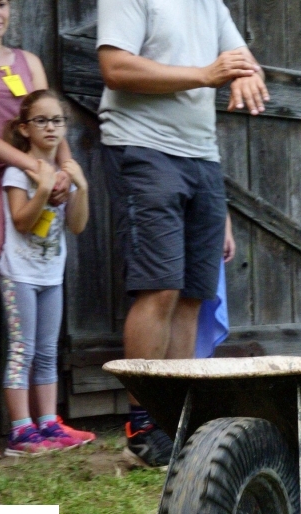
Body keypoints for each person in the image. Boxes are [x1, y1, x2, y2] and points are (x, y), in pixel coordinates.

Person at [97, 0, 268, 468]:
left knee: (193, 291)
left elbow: (238, 59)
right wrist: (204, 74)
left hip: (201, 156)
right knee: (160, 285)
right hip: (143, 147)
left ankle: (174, 421)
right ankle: (142, 422)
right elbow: (114, 67)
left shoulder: (210, 4)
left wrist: (247, 73)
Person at [0, 0, 74, 461]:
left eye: (2, 3)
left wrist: (64, 169)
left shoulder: (28, 62)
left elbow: (50, 117)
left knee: (35, 303)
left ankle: (38, 423)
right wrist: (34, 164)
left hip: (34, 193)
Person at [0, 89, 92, 456]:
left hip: (51, 274)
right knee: (22, 349)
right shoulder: (17, 171)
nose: (51, 127)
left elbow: (78, 225)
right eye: (41, 120)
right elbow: (22, 222)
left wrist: (80, 186)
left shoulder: (64, 176)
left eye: (58, 121)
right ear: (24, 128)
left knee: (48, 350)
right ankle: (21, 432)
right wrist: (41, 187)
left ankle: (49, 423)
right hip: (18, 274)